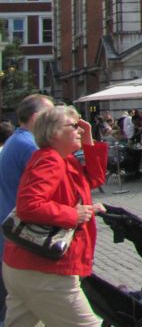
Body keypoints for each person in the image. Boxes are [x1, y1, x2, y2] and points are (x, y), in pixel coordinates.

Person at [2, 105, 107, 326]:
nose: (80, 129)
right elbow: (29, 205)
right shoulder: (50, 160)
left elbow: (94, 179)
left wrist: (88, 139)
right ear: (54, 132)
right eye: (74, 126)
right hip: (45, 269)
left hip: (26, 266)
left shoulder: (62, 158)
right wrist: (74, 214)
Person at [0, 94, 54, 325]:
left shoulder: (16, 141)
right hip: (21, 234)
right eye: (50, 115)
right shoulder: (29, 146)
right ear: (35, 118)